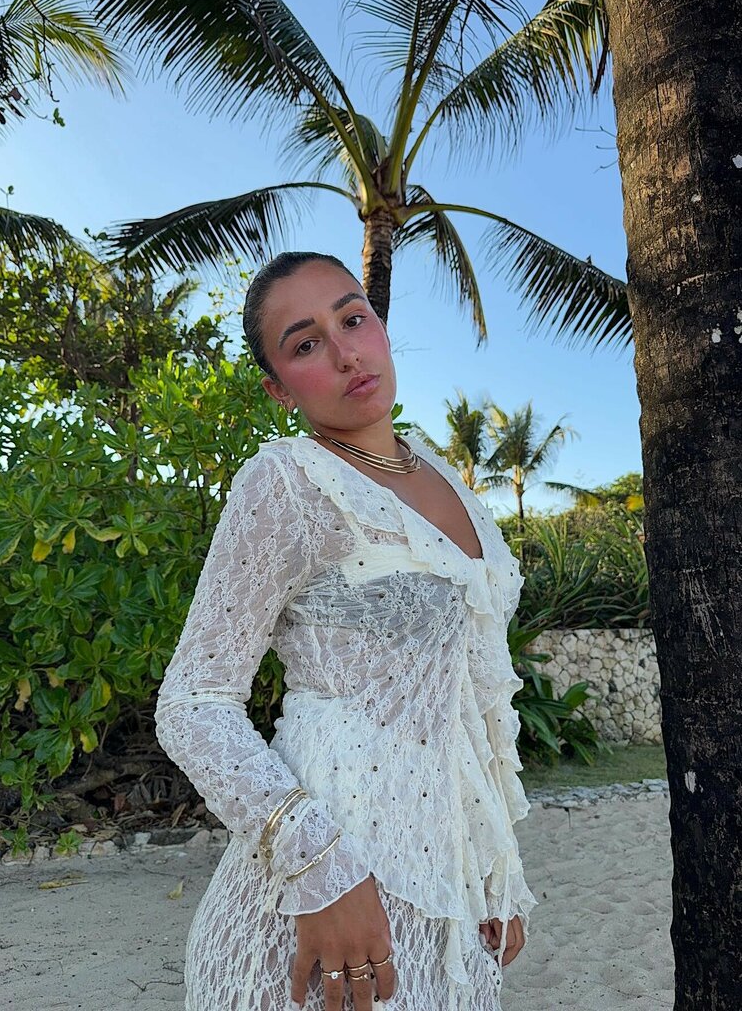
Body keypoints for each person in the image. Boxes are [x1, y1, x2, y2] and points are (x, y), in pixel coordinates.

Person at [154, 251, 537, 1011]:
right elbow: (194, 701)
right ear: (279, 388)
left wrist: (499, 869)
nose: (344, 353)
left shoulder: (450, 481)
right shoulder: (287, 484)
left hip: (449, 890)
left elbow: (474, 704)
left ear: (380, 326)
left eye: (353, 319)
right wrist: (319, 869)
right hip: (317, 899)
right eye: (305, 343)